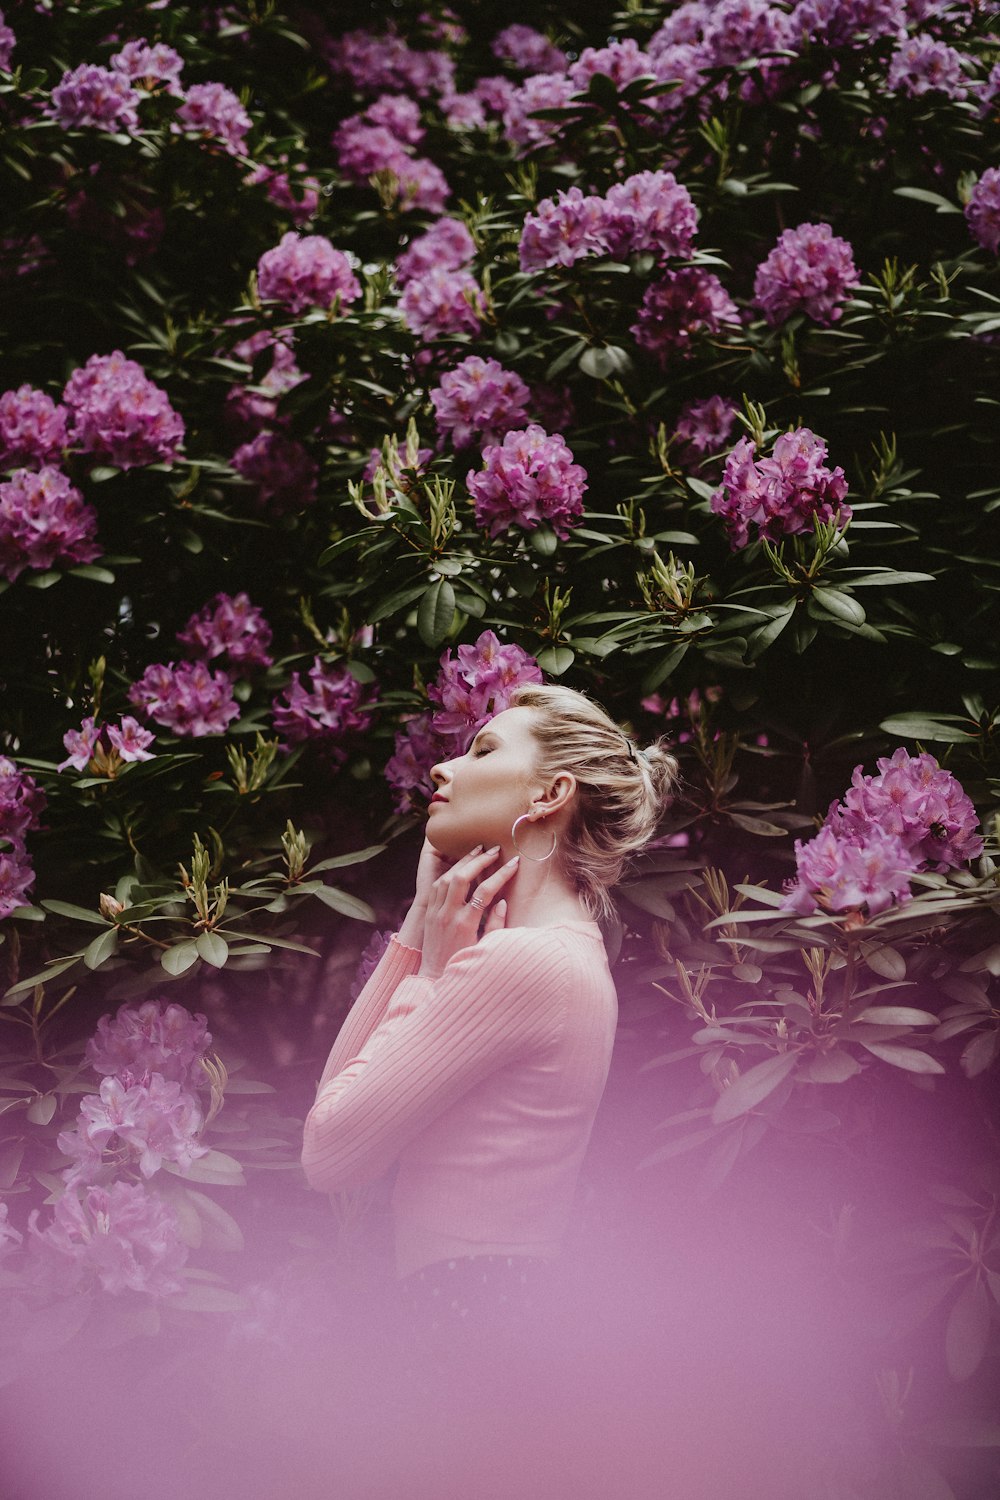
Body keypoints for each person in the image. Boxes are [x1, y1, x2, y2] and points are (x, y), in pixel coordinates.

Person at [301, 682, 677, 1394]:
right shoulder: (565, 952)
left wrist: (428, 966)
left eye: (483, 749)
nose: (444, 769)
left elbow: (330, 1153)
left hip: (462, 1318)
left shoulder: (521, 962)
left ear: (549, 794)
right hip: (491, 1312)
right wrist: (422, 922)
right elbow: (338, 1110)